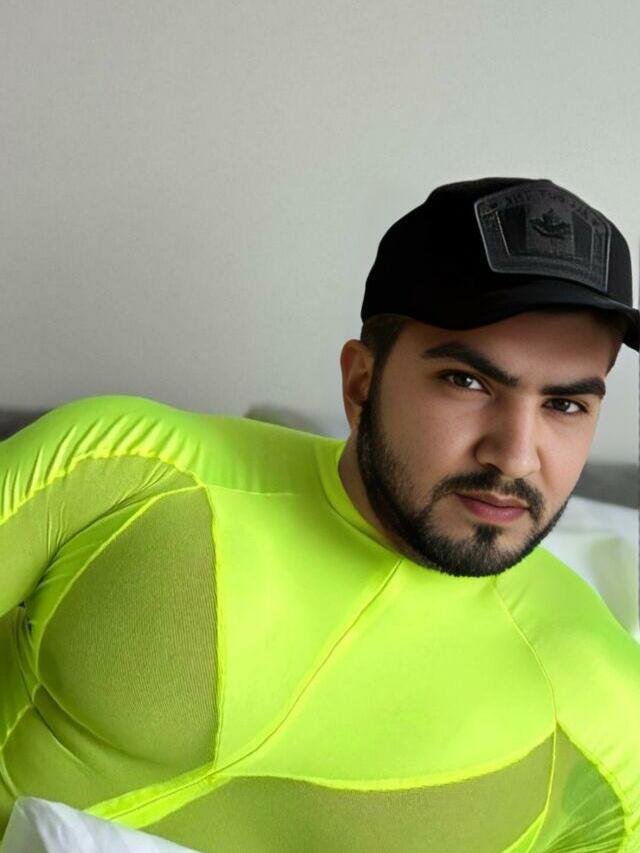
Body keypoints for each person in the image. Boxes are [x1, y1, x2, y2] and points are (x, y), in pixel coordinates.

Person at [0, 177, 638, 853]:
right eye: (467, 381)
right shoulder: (122, 470)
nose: (514, 455)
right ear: (361, 383)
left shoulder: (605, 707)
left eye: (565, 405)